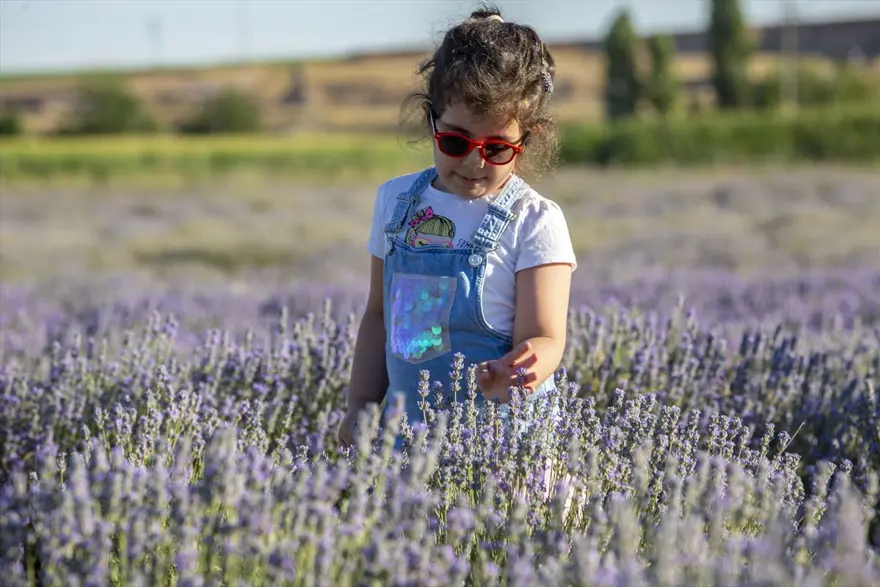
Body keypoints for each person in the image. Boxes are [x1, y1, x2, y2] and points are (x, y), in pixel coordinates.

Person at [338, 5, 577, 450]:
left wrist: (515, 371)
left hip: (505, 442)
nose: (473, 161)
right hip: (409, 438)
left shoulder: (534, 220)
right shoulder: (396, 202)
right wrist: (360, 406)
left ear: (528, 140)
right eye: (454, 141)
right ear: (430, 119)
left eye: (497, 148)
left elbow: (545, 336)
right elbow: (378, 316)